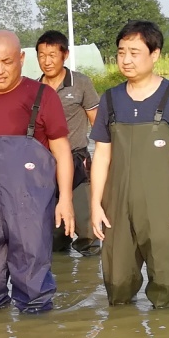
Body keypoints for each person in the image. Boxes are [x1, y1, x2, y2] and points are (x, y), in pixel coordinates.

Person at [0, 31, 75, 313]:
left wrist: (65, 199)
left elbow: (62, 151)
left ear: (21, 58)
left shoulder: (43, 97)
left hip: (31, 209)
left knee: (33, 285)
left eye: (7, 61)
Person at [90, 20, 169, 308]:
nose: (126, 60)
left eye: (134, 52)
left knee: (165, 280)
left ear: (155, 54)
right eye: (121, 52)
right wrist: (95, 205)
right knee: (117, 281)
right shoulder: (110, 99)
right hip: (116, 206)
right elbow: (101, 154)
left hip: (162, 207)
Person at [36, 30, 101, 256]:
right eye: (42, 55)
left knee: (88, 231)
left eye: (53, 55)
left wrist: (106, 163)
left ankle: (90, 283)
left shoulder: (80, 83)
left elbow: (98, 125)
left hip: (77, 162)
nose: (47, 61)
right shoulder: (34, 90)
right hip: (46, 167)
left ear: (65, 55)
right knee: (53, 237)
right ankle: (62, 286)